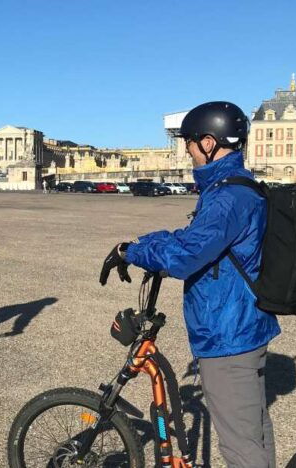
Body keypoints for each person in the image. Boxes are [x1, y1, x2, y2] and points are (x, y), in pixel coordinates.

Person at [99, 101, 279, 467]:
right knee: (254, 435)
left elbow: (185, 256)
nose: (187, 151)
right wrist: (138, 246)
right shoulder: (232, 188)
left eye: (190, 143)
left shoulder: (229, 196)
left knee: (242, 449)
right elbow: (193, 238)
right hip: (243, 326)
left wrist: (132, 253)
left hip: (228, 334)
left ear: (209, 143)